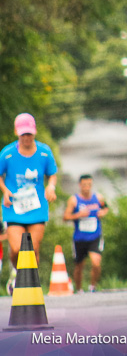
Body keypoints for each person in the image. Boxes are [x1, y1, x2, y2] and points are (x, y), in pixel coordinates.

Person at [0, 113, 58, 294]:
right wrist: (5, 190)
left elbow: (52, 174)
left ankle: (31, 282)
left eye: (29, 134)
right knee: (17, 248)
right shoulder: (7, 154)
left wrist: (51, 187)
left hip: (37, 208)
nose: (26, 138)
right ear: (17, 133)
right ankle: (16, 273)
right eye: (23, 134)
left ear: (35, 132)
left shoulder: (44, 152)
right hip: (14, 208)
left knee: (33, 248)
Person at [63, 174, 109, 292]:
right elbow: (65, 217)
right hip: (80, 238)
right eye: (84, 185)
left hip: (95, 236)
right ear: (80, 185)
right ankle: (78, 289)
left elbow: (106, 208)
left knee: (96, 262)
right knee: (79, 266)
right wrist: (78, 215)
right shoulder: (74, 200)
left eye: (89, 185)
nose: (87, 187)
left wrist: (103, 212)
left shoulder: (98, 198)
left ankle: (92, 287)